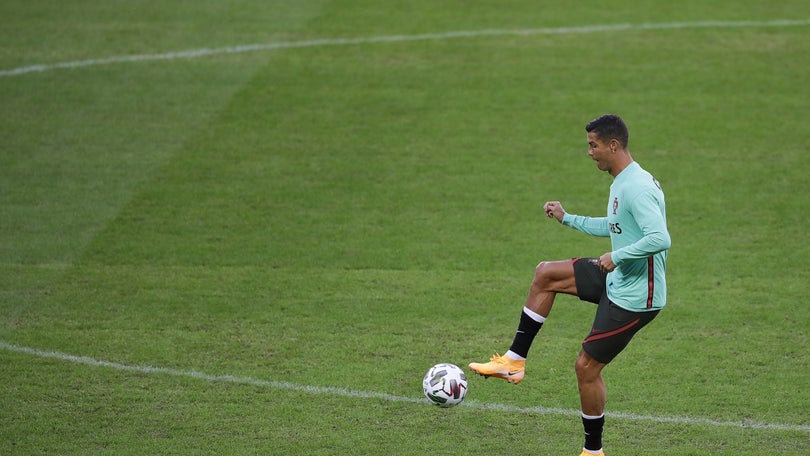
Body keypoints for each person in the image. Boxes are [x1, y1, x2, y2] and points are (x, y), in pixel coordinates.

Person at [468, 114, 670, 456]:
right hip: (618, 277)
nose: (589, 152)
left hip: (637, 297)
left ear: (613, 145)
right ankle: (513, 362)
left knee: (586, 367)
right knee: (545, 273)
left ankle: (593, 452)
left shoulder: (636, 186)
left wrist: (617, 258)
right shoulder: (623, 180)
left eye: (593, 145)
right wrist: (568, 218)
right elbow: (618, 225)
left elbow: (659, 238)